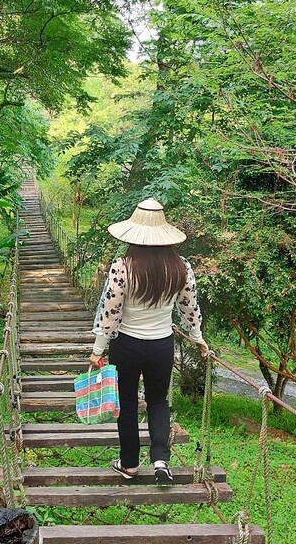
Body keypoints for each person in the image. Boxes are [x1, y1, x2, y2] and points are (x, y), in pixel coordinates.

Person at [88, 197, 208, 485]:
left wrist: (97, 350)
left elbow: (111, 311)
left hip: (126, 345)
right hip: (162, 345)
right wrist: (198, 338)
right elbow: (189, 308)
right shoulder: (181, 268)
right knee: (157, 401)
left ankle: (129, 464)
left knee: (127, 403)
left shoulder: (123, 267)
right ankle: (160, 462)